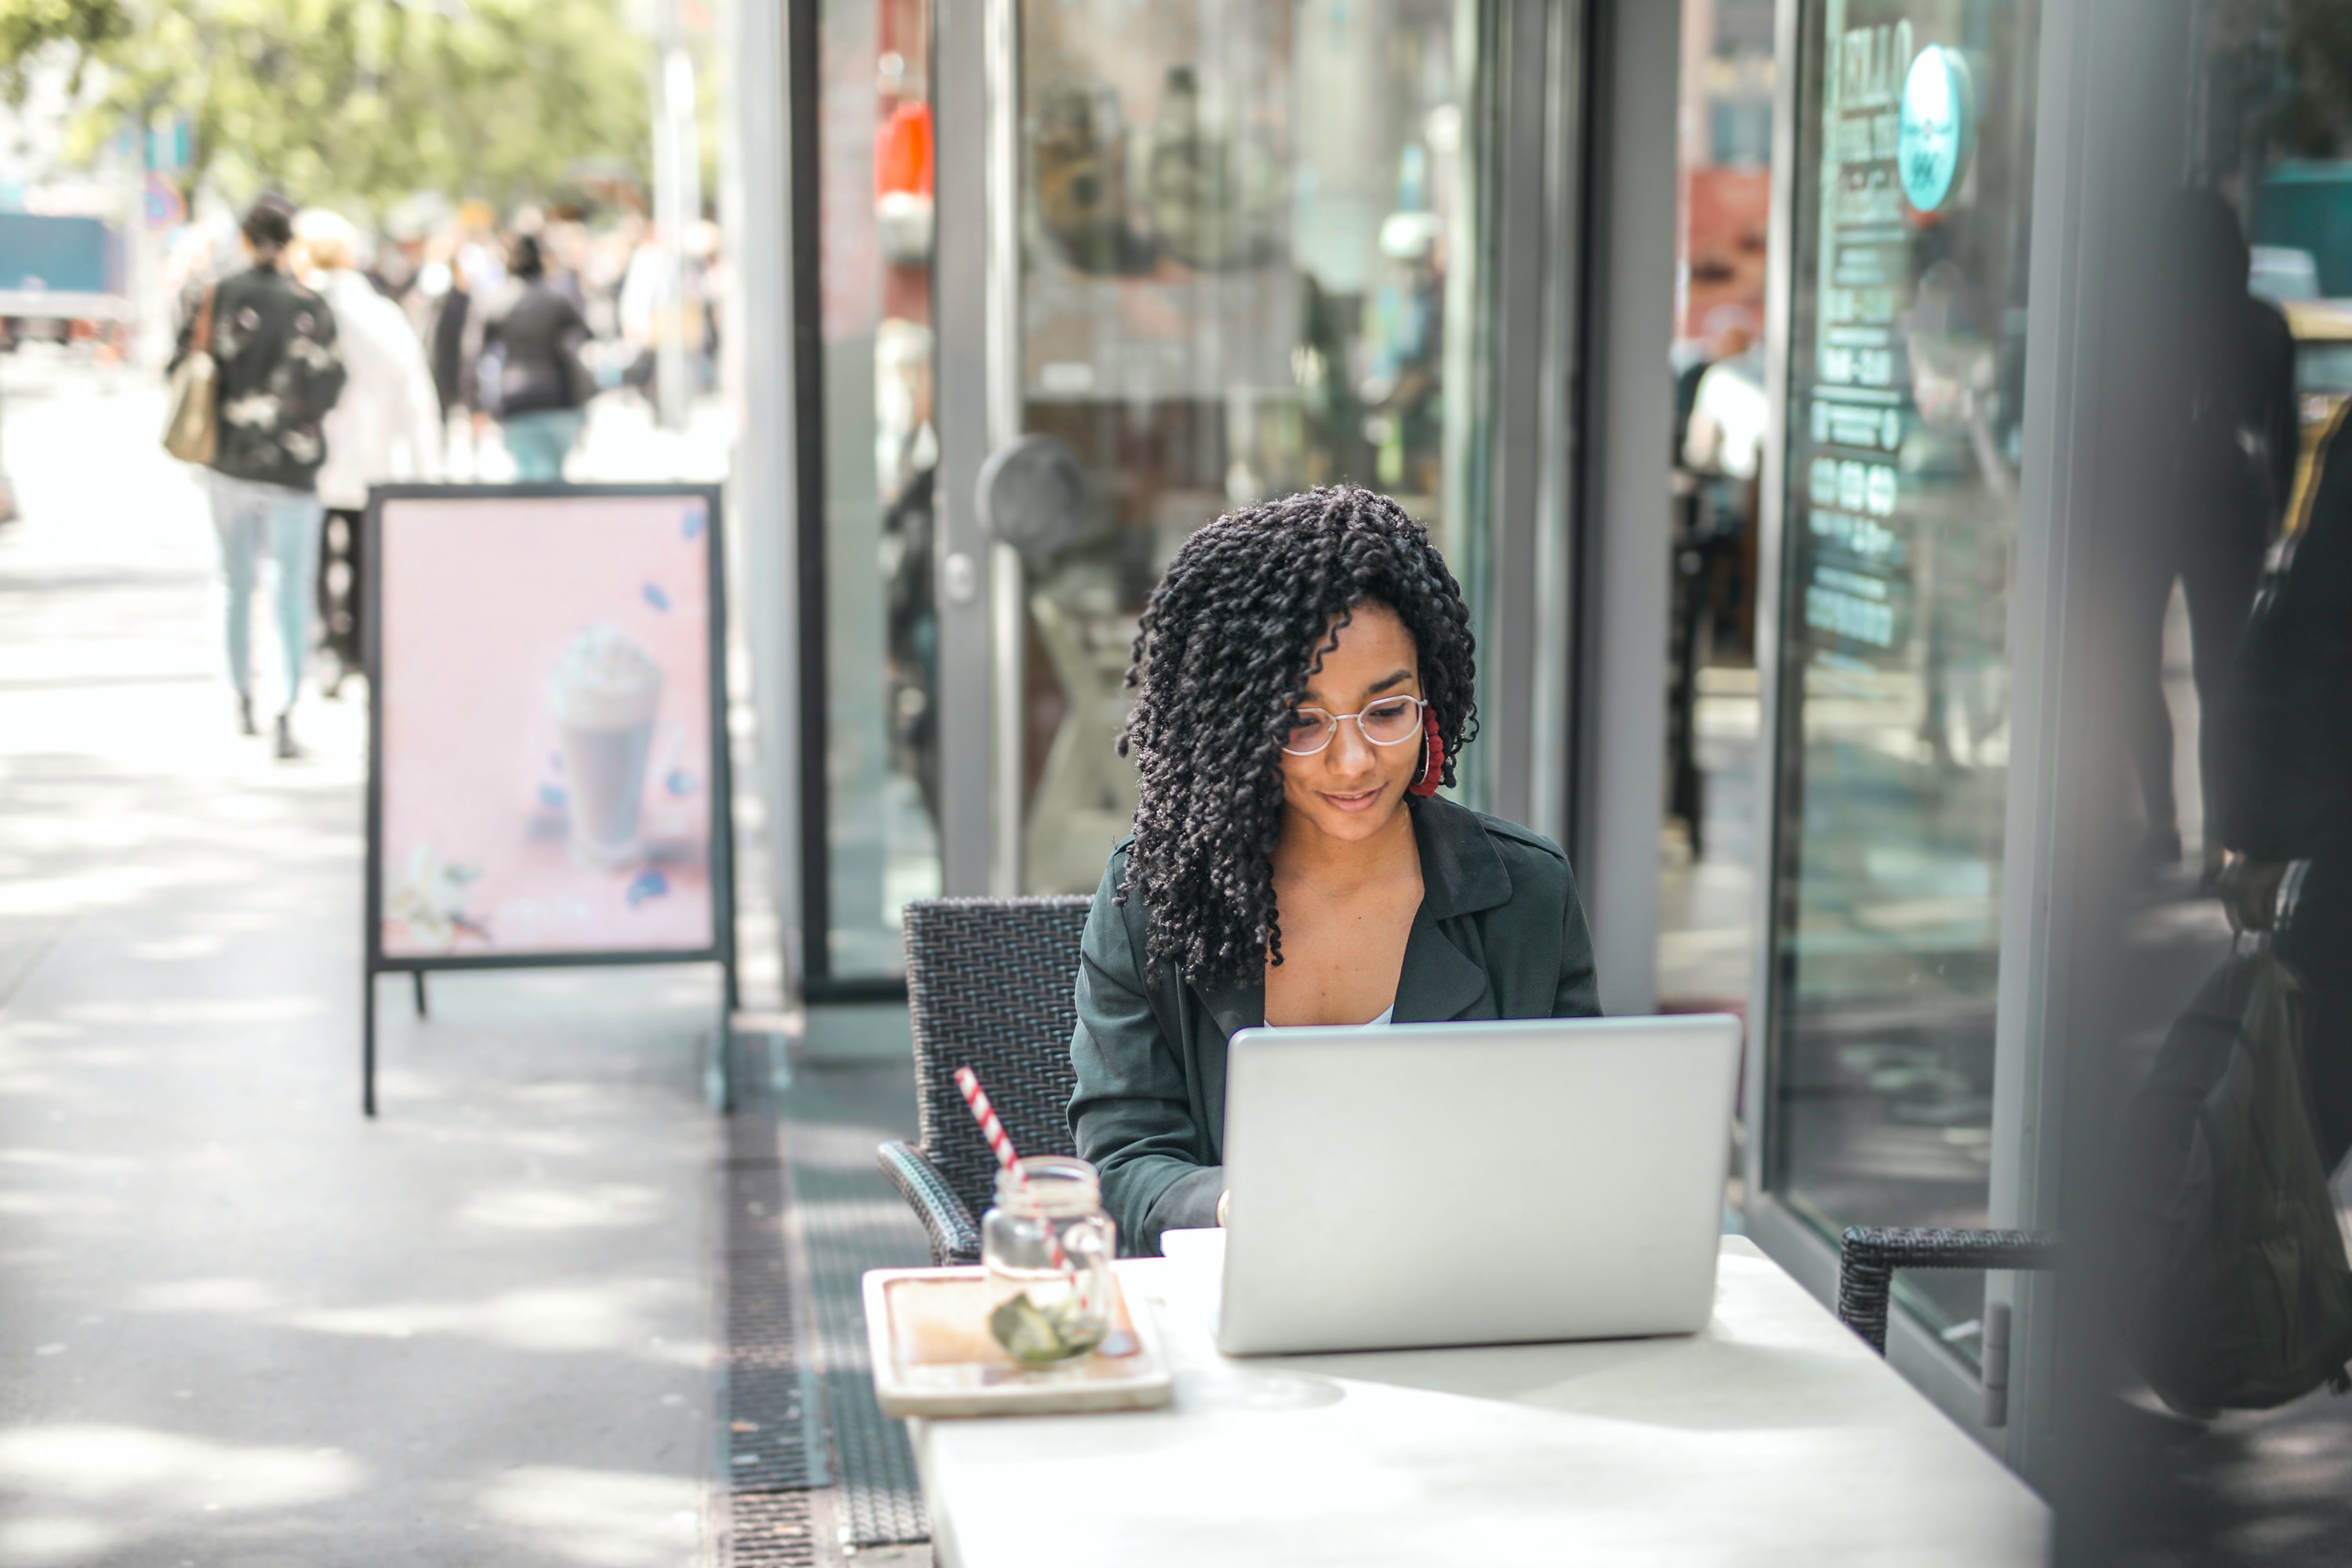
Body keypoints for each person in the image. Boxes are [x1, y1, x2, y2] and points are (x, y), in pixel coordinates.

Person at [1066, 487, 1602, 1254]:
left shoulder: (1526, 896)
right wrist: (1233, 1201)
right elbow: (1120, 1166)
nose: (1353, 762)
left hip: (1471, 1301)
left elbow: (1579, 1153)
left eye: (1387, 712)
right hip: (1237, 1315)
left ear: (1432, 701)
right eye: (1302, 721)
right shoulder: (1151, 899)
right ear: (1240, 728)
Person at [172, 195, 347, 758]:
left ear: (246, 238)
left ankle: (241, 695)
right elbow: (332, 385)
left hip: (229, 459)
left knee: (234, 579)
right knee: (291, 586)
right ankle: (285, 706)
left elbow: (183, 365)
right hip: (293, 465)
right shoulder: (310, 306)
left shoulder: (217, 296)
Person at [292, 209, 443, 693]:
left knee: (311, 554)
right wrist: (426, 469)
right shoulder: (378, 311)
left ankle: (324, 644)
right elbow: (413, 392)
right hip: (369, 455)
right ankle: (356, 644)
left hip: (308, 456)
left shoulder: (298, 306)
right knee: (362, 551)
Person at [479, 234, 593, 481]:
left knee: (531, 477)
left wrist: (478, 403)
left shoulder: (498, 301)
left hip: (519, 397)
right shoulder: (556, 299)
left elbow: (478, 353)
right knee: (550, 477)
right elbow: (584, 336)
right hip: (556, 395)